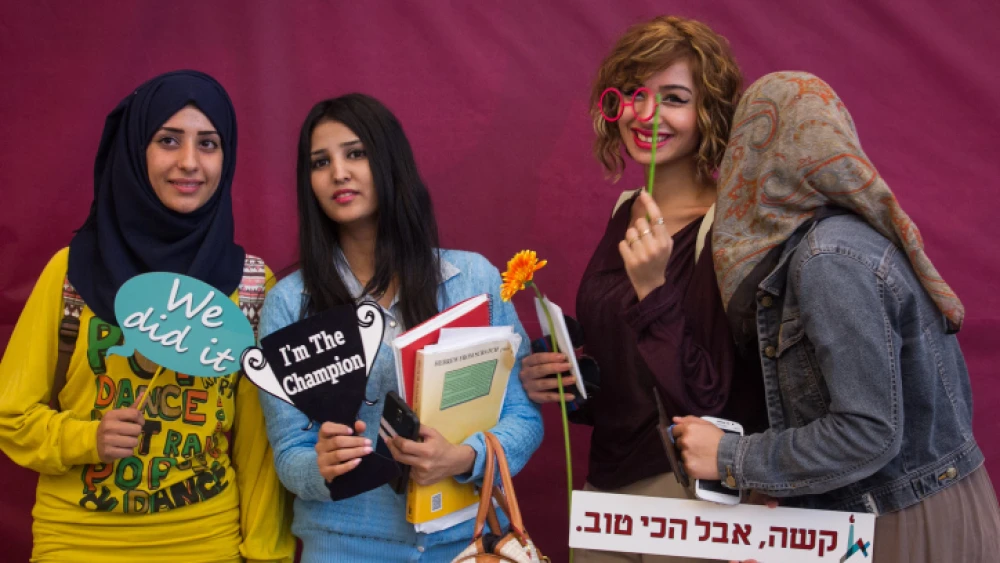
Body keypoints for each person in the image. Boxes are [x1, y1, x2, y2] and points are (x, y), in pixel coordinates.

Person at [673, 71, 1000, 563]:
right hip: (903, 509)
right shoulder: (835, 246)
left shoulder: (828, 261)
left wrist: (730, 457)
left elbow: (867, 432)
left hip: (901, 521)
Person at [0, 70, 294, 562]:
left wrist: (268, 556)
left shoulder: (249, 287)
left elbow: (258, 448)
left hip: (205, 542)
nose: (188, 162)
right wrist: (85, 438)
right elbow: (10, 415)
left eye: (208, 144)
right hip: (78, 541)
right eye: (168, 140)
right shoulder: (71, 273)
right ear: (138, 149)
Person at [517, 15, 768, 563]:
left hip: (687, 501)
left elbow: (713, 402)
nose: (646, 114)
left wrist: (654, 289)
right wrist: (567, 381)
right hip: (607, 494)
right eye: (633, 94)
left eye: (673, 98)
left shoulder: (727, 227)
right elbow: (633, 381)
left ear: (709, 114)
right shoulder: (625, 211)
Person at [256, 93, 543, 561]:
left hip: (469, 541)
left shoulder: (474, 281)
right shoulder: (291, 302)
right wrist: (321, 467)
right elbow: (290, 452)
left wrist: (464, 457)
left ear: (389, 161)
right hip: (345, 546)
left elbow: (524, 416)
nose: (338, 173)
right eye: (319, 162)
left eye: (355, 153)